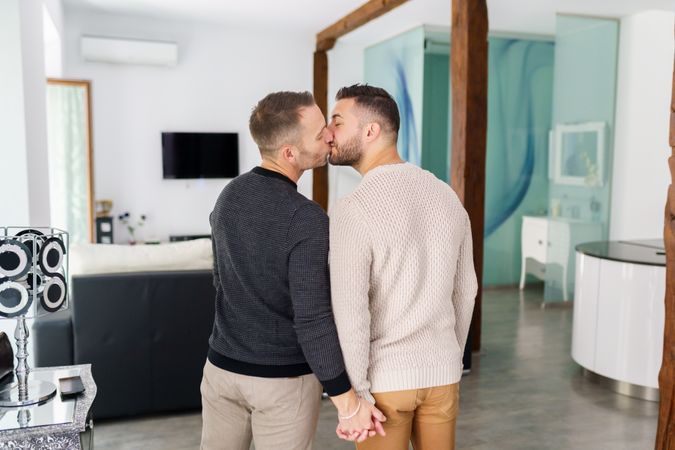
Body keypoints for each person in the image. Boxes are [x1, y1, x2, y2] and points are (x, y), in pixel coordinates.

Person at [200, 91, 385, 450]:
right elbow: (313, 318)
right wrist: (346, 401)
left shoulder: (228, 196)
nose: (330, 135)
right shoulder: (306, 218)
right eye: (319, 134)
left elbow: (220, 281)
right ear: (289, 153)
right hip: (282, 383)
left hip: (221, 371)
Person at [327, 84, 478, 450]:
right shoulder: (446, 195)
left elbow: (350, 310)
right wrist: (448, 357)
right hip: (442, 374)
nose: (329, 135)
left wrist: (356, 393)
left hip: (383, 385)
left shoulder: (353, 208)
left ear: (371, 131)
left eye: (337, 122)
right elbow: (466, 290)